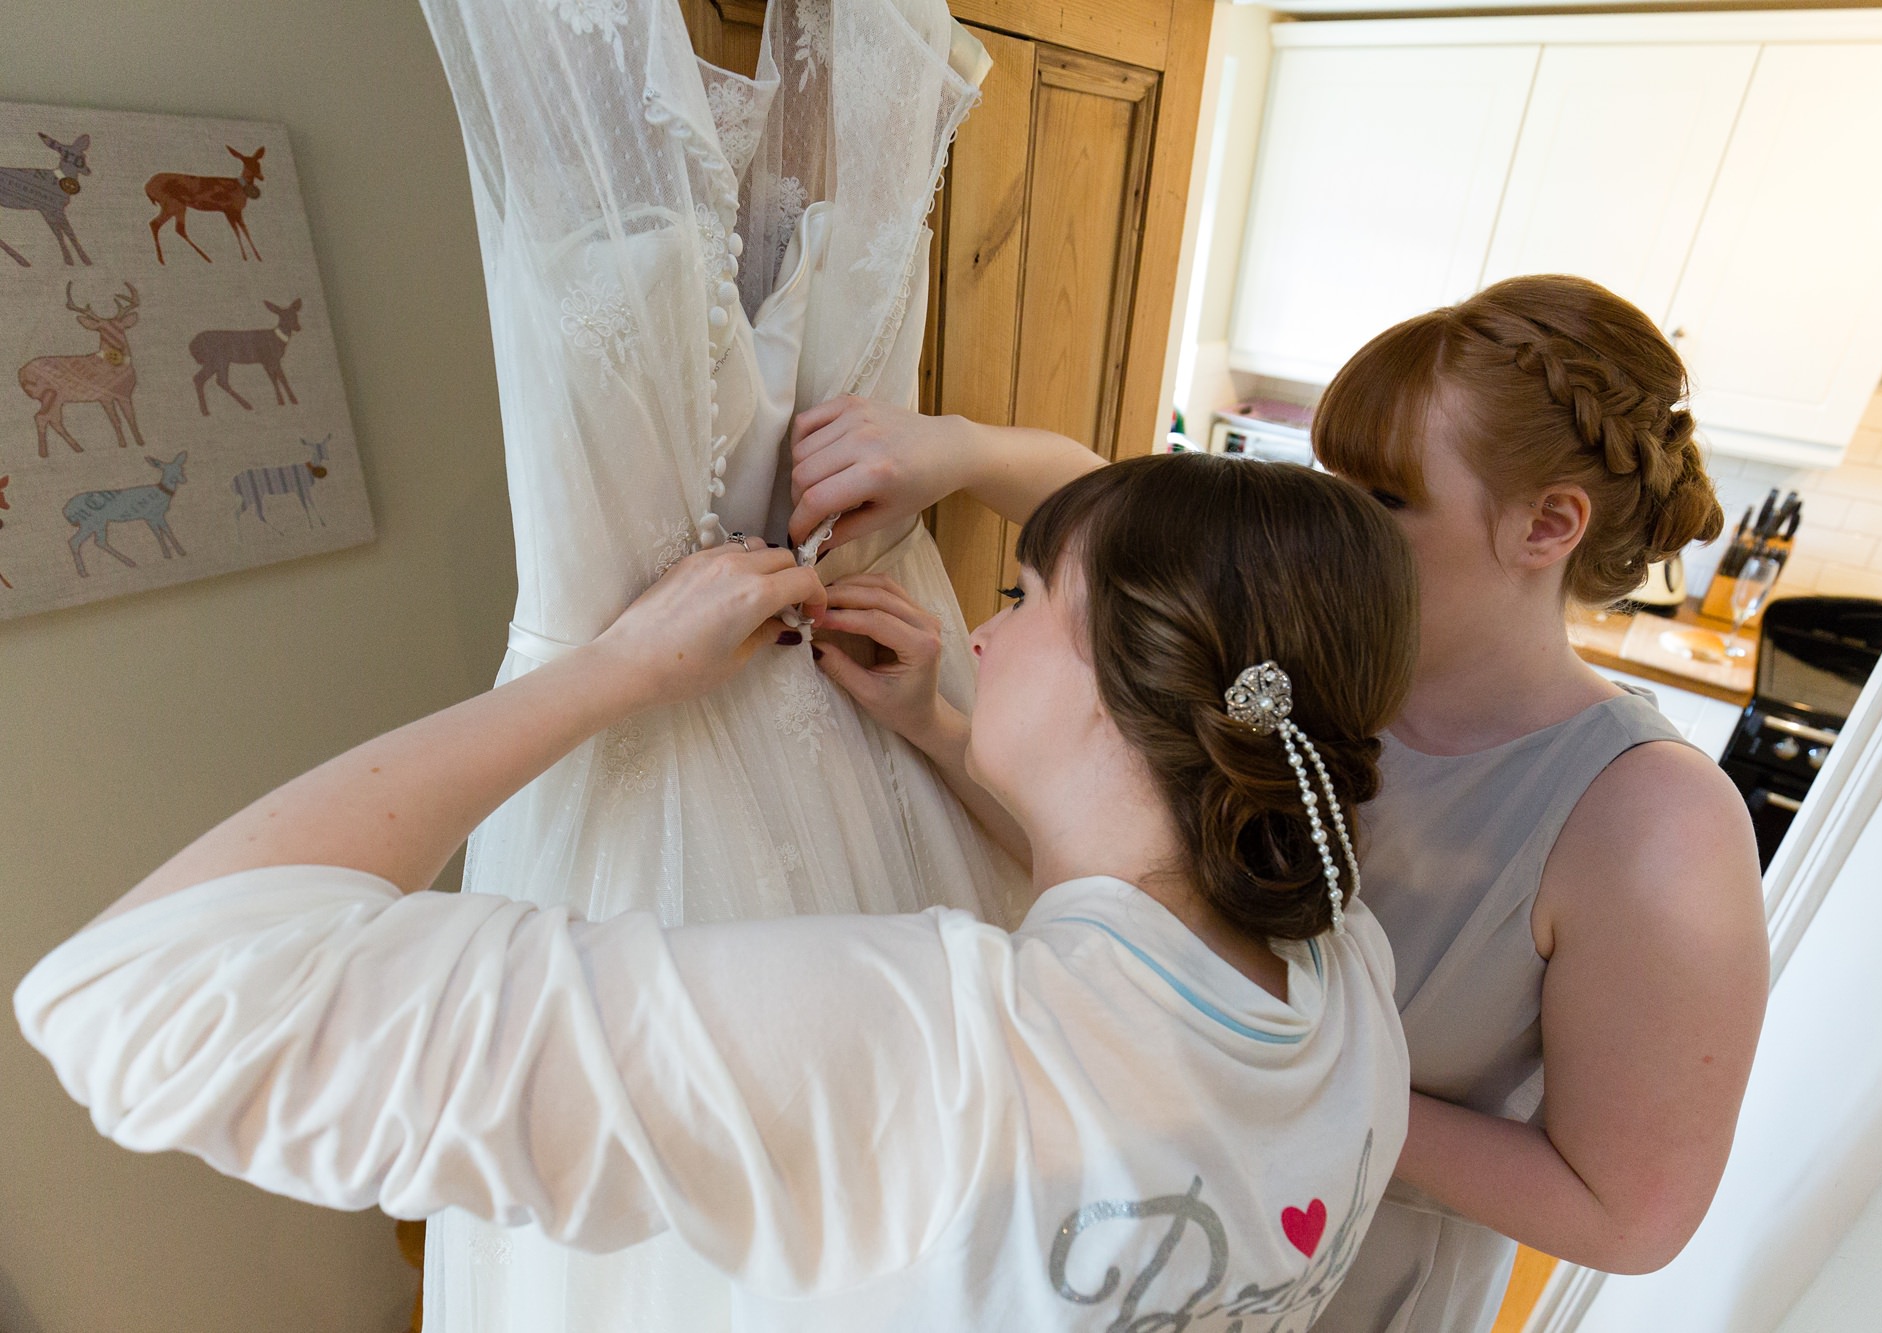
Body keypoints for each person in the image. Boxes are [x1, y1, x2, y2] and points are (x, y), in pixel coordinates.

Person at [18, 454, 1420, 1332]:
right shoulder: (1346, 968)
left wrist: (607, 674)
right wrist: (948, 727)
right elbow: (1143, 885)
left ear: (1136, 681)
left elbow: (135, 995)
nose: (984, 627)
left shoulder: (944, 1051)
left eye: (1028, 591)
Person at [786, 274, 1770, 1331]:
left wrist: (1273, 1073)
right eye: (1329, 477)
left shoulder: (1654, 822)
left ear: (1548, 525)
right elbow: (1136, 859)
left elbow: (1627, 1214)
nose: (1328, 522)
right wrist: (955, 471)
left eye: (1383, 500)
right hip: (1104, 1253)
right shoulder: (1297, 661)